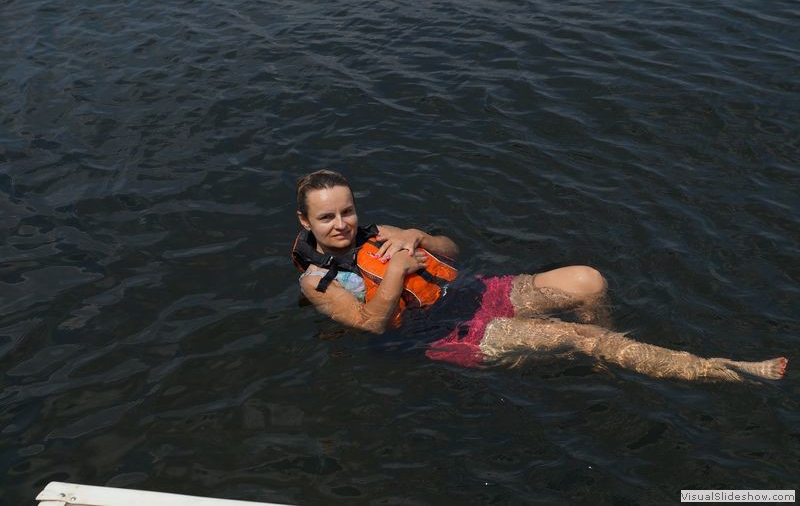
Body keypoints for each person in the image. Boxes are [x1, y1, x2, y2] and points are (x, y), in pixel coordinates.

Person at [293, 169, 787, 383]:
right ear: (305, 223)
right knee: (584, 337)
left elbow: (452, 252)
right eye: (327, 218)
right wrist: (399, 272)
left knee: (590, 280)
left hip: (472, 295)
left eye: (347, 211)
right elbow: (374, 325)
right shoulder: (317, 282)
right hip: (444, 333)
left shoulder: (384, 232)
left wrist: (421, 237)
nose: (341, 224)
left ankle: (607, 353)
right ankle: (727, 369)